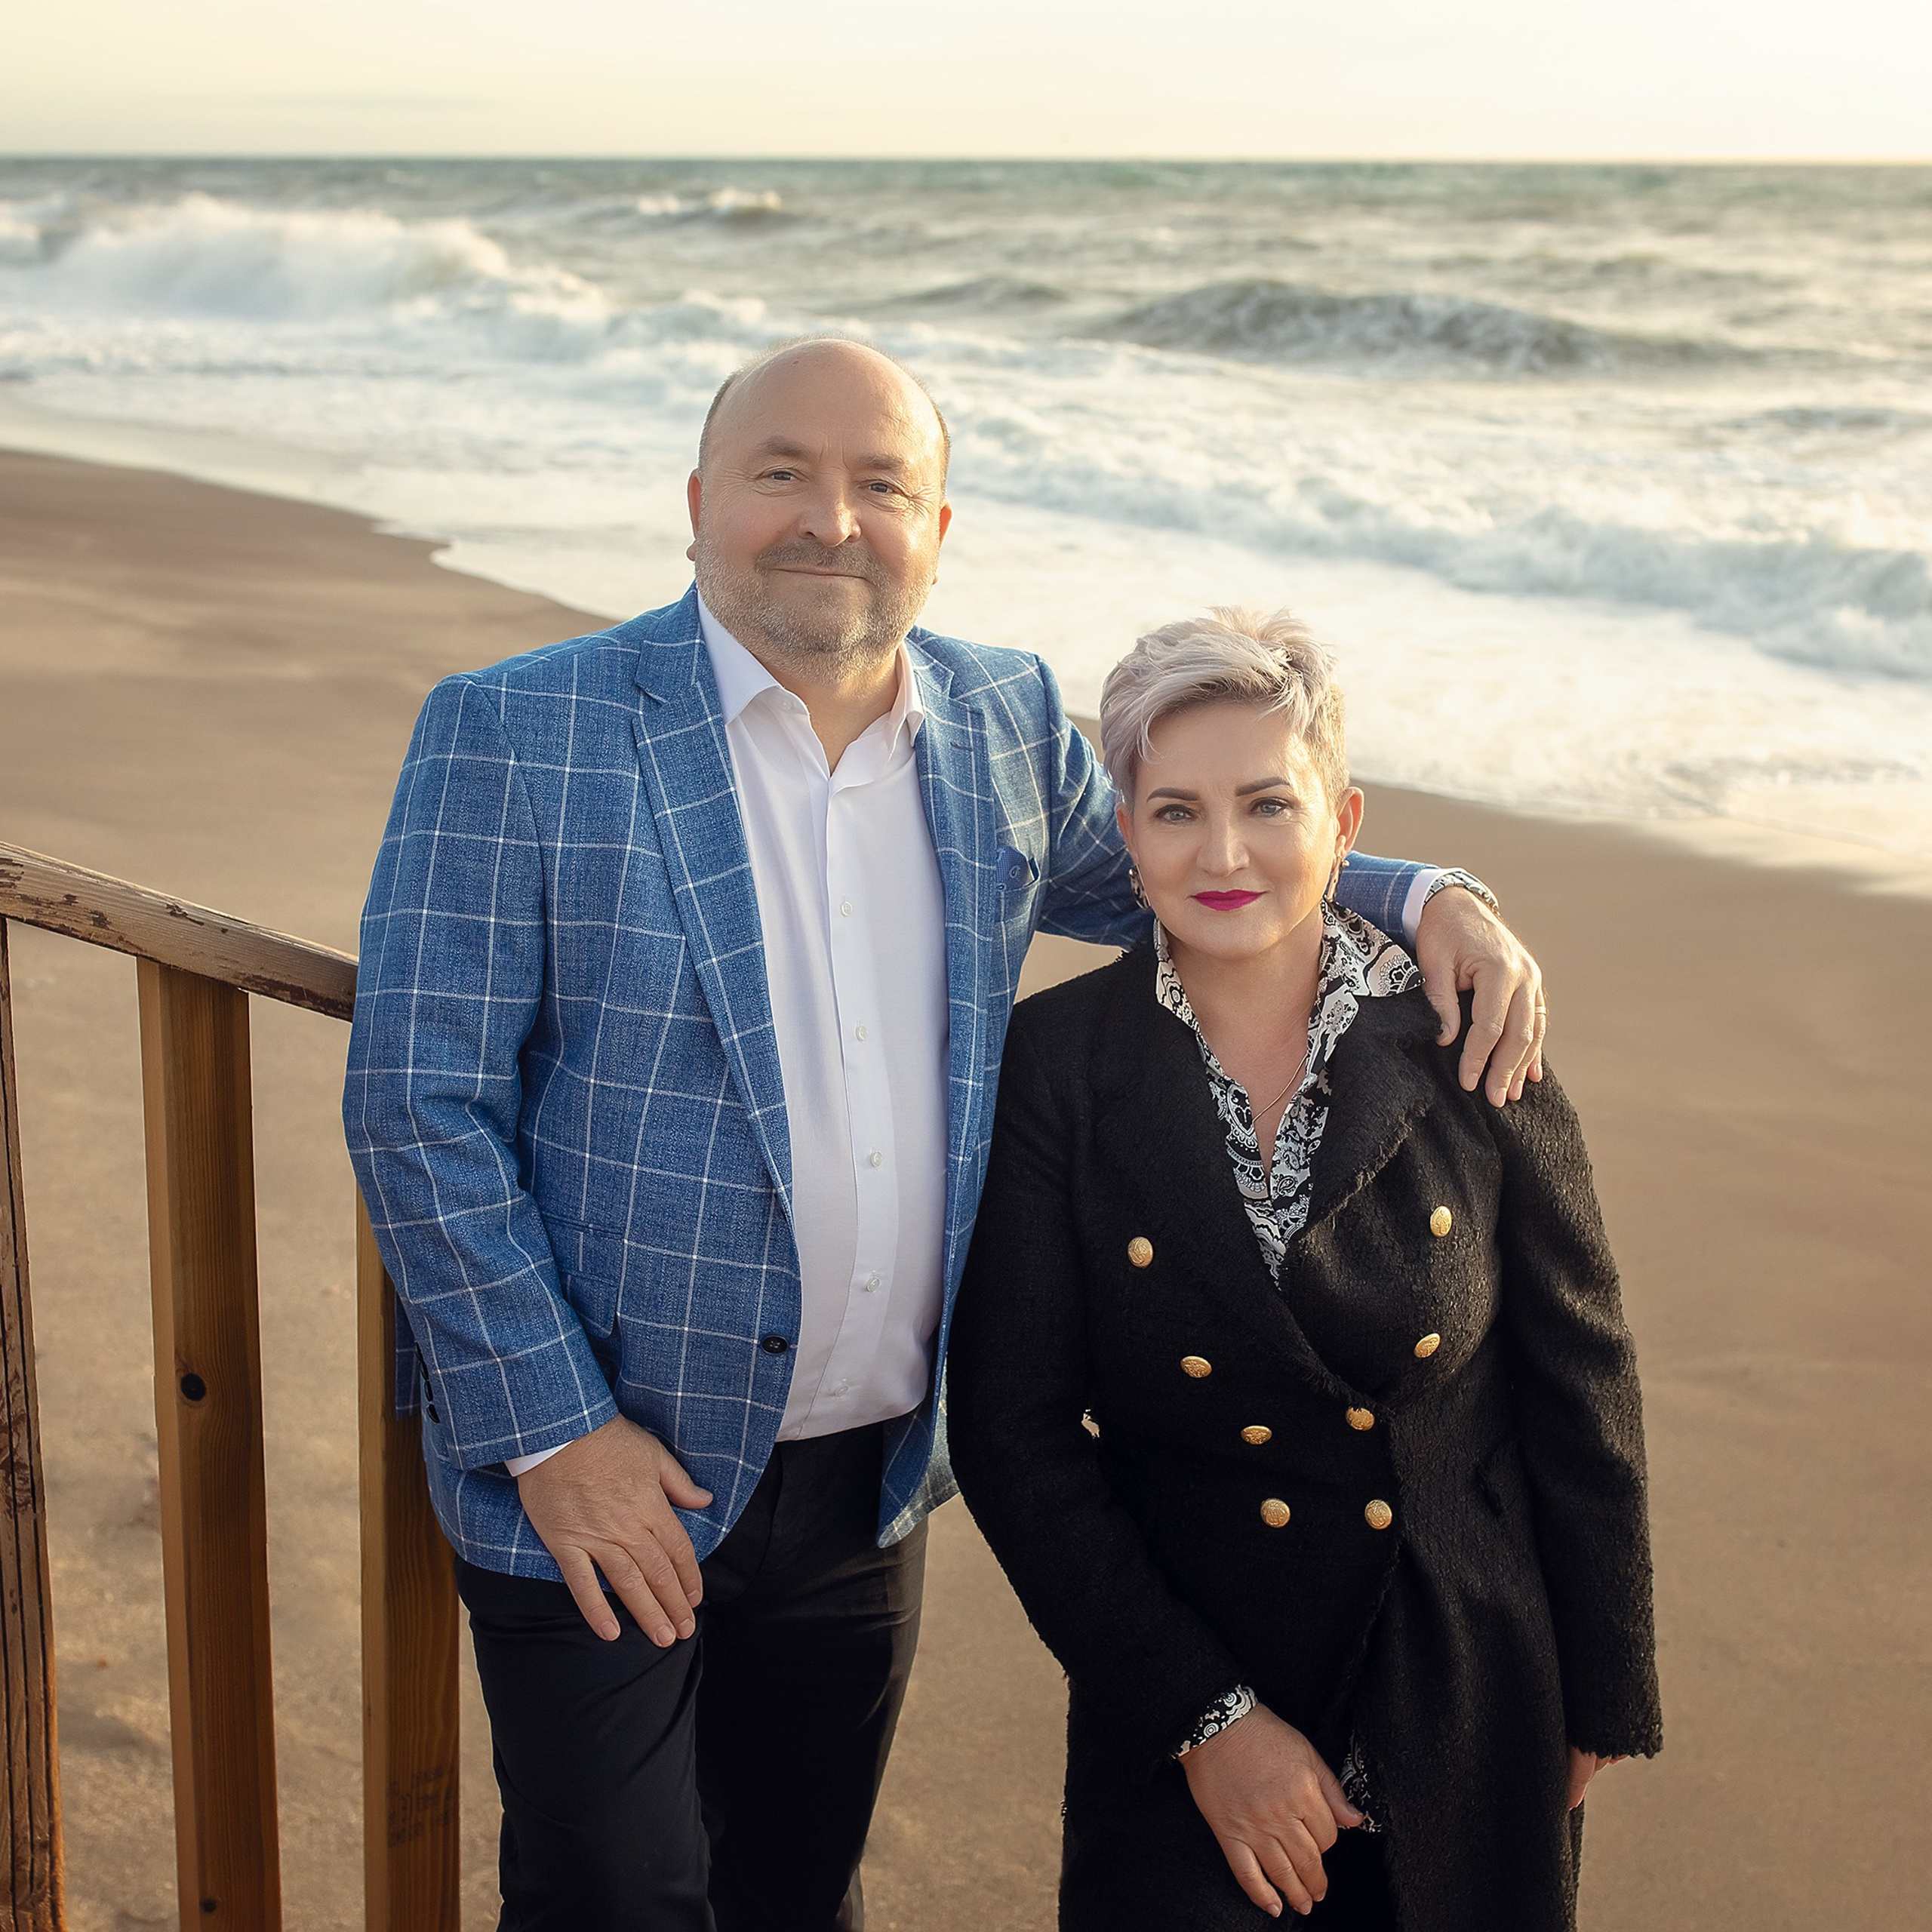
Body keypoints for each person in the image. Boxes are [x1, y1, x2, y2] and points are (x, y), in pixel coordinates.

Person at [342, 339, 1548, 1932]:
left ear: (938, 524)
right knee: (613, 1891)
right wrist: (551, 1431)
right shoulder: (519, 731)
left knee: (796, 1887)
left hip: (868, 1482)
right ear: (699, 502)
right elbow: (418, 1099)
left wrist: (1421, 889)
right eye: (781, 473)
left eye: (879, 486)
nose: (827, 520)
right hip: (613, 1470)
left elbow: (1188, 866)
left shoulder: (996, 716)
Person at [948, 608, 1660, 1932]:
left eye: (1268, 804)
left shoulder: (1466, 1029)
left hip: (1466, 1679)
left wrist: (1606, 1683)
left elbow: (1583, 1368)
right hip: (1187, 1684)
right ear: (1126, 831)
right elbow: (1015, 1432)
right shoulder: (1057, 1068)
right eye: (1175, 812)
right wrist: (1203, 1718)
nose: (1224, 855)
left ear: (1343, 823)